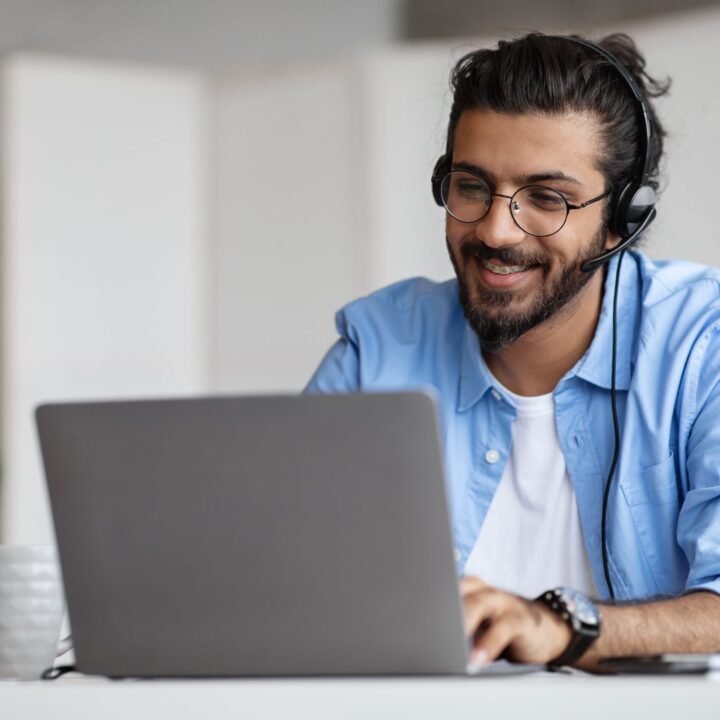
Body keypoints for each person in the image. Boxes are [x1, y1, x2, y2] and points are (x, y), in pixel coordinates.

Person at [304, 32, 720, 671]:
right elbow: (282, 579)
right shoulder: (377, 348)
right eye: (473, 186)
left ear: (623, 219)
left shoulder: (702, 344)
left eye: (546, 199)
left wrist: (565, 626)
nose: (497, 230)